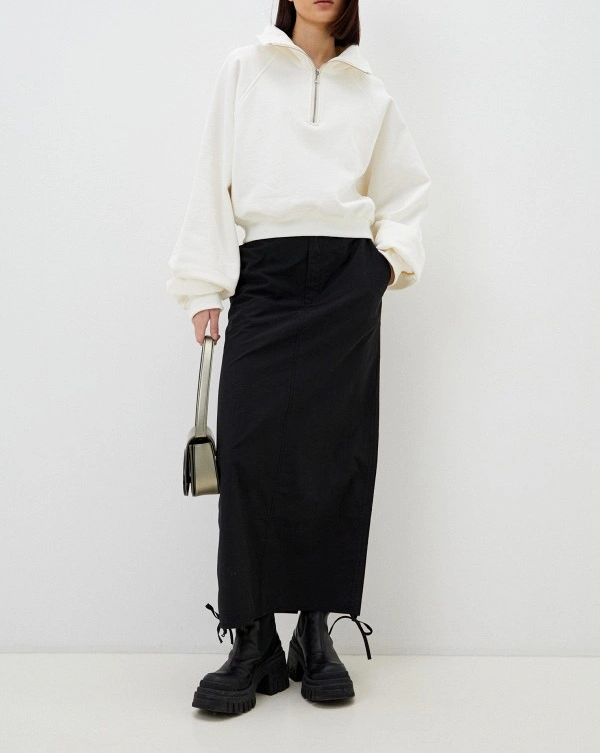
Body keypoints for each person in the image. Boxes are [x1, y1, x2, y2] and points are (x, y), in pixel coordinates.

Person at [166, 0, 431, 714]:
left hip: (347, 281)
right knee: (248, 454)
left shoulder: (370, 91)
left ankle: (315, 634)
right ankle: (251, 638)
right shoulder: (244, 68)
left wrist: (383, 265)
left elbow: (406, 191)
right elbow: (212, 176)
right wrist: (203, 285)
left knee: (333, 457)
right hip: (266, 275)